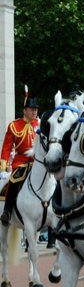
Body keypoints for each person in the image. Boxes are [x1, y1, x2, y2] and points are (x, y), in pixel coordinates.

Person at [1, 96, 40, 226]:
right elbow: (6, 147)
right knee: (13, 181)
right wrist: (3, 164)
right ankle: (7, 211)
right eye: (31, 109)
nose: (34, 112)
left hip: (37, 162)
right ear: (24, 110)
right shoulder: (14, 125)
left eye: (36, 109)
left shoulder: (39, 124)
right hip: (21, 161)